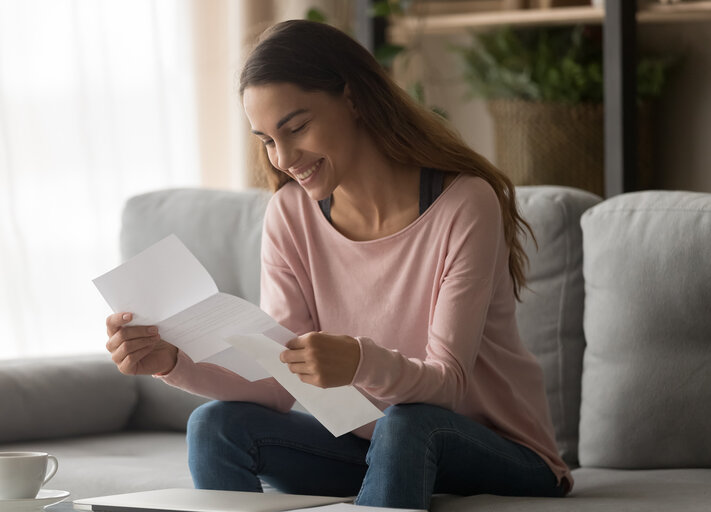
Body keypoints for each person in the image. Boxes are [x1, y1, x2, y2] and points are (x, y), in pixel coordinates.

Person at [105, 19, 572, 510]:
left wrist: (359, 361)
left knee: (410, 421)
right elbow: (279, 383)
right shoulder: (290, 214)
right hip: (377, 447)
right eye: (266, 139)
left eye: (297, 127)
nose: (283, 157)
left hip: (502, 453)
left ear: (352, 99)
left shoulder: (464, 204)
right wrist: (173, 363)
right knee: (216, 425)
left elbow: (446, 386)